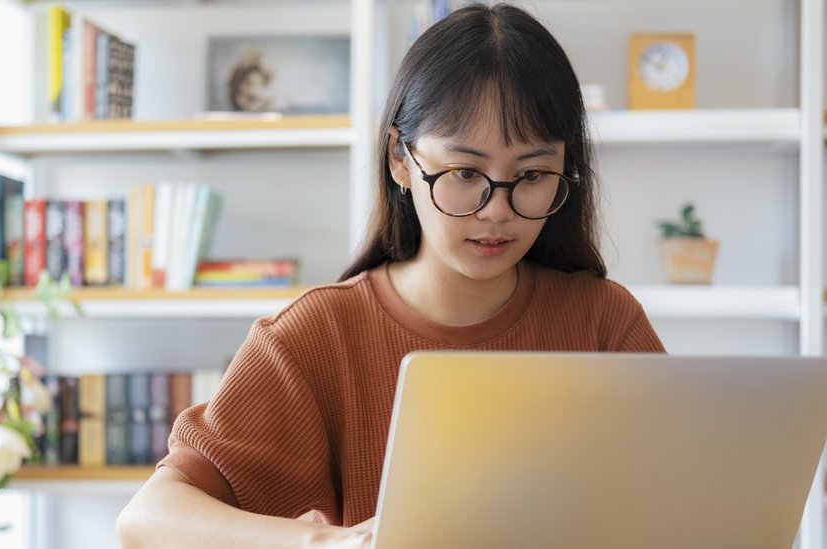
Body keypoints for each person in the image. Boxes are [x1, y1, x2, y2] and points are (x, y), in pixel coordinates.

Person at [116, 4, 665, 547]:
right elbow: (147, 519)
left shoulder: (604, 322)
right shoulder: (314, 334)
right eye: (465, 171)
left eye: (532, 174)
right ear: (401, 160)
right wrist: (325, 543)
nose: (496, 210)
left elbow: (688, 498)